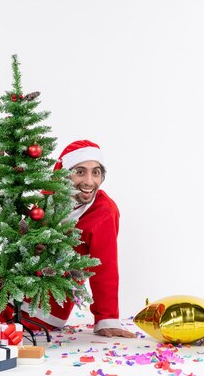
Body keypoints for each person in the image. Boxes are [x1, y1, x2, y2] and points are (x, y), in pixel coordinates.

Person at [20, 140, 136, 338]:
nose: (89, 182)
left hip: (47, 301)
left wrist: (106, 318)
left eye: (96, 172)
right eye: (80, 172)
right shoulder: (48, 201)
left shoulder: (104, 211)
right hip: (17, 278)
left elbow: (104, 266)